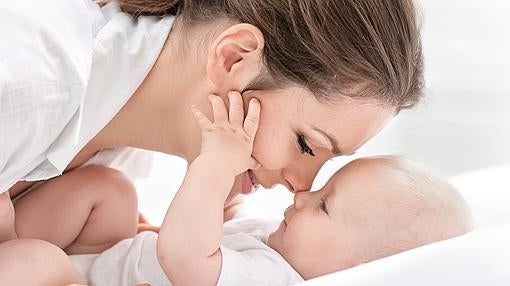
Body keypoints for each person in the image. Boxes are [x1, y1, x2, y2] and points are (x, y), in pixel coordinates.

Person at [1, 0, 423, 274]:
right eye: (306, 144)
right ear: (233, 57)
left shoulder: (118, 144)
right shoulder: (29, 82)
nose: (301, 187)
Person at [6, 94, 471, 285]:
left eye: (324, 206)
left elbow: (187, 258)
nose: (302, 196)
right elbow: (220, 231)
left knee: (39, 262)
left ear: (353, 266)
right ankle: (15, 237)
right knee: (111, 189)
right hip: (114, 260)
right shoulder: (282, 242)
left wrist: (214, 164)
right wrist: (231, 191)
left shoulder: (274, 280)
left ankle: (11, 243)